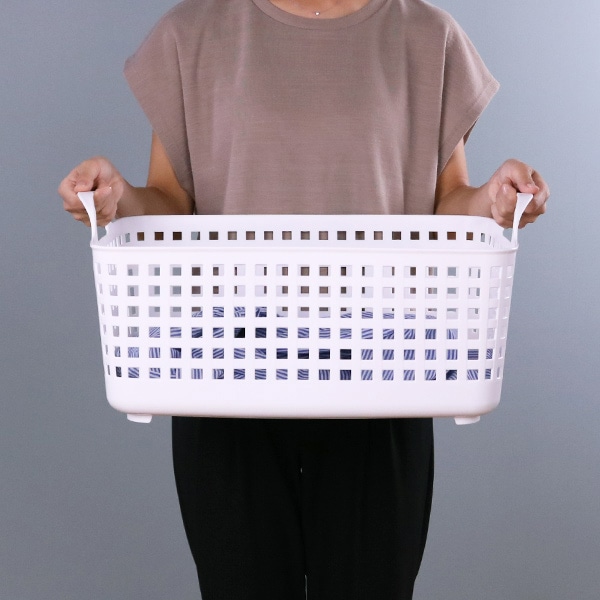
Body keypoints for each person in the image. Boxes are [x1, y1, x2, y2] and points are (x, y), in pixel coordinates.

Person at [59, 1, 550, 598]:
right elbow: (170, 203)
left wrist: (495, 202)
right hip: (225, 373)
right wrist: (116, 200)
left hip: (384, 372)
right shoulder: (196, 31)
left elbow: (445, 206)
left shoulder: (425, 34)